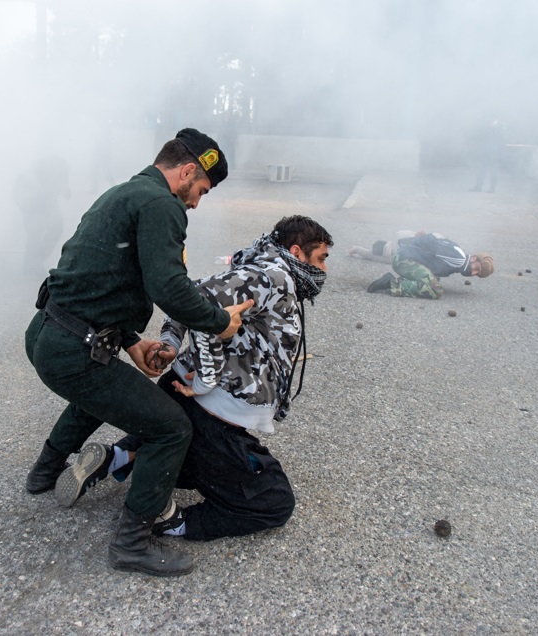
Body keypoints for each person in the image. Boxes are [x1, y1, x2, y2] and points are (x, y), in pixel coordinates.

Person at [23, 128, 253, 577]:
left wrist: (131, 341)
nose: (196, 203)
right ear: (187, 171)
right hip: (72, 349)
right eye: (201, 190)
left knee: (103, 391)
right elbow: (169, 287)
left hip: (48, 333)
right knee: (171, 427)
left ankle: (44, 473)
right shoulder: (162, 204)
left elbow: (98, 276)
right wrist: (219, 321)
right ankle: (131, 543)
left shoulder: (125, 192)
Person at [55, 215, 333, 542]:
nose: (324, 269)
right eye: (321, 258)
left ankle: (118, 457)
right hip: (210, 416)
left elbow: (187, 296)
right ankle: (169, 519)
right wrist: (206, 379)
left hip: (183, 396)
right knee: (273, 503)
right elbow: (200, 302)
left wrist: (171, 343)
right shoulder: (274, 276)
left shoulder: (257, 268)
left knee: (172, 447)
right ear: (297, 252)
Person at [349, 230, 493, 298]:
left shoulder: (459, 255)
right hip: (405, 260)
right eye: (477, 268)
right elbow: (431, 240)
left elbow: (434, 249)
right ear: (474, 259)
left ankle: (402, 279)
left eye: (477, 274)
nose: (473, 273)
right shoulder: (459, 259)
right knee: (436, 291)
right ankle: (390, 283)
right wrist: (411, 246)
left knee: (434, 281)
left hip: (406, 257)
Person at [470, 118, 505, 193]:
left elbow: (501, 143)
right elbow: (481, 140)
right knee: (481, 170)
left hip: (494, 154)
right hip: (485, 153)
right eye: (492, 121)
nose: (492, 122)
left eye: (494, 121)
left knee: (493, 171)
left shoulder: (499, 131)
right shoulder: (487, 130)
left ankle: (492, 188)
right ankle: (478, 186)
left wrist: (499, 153)